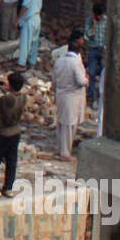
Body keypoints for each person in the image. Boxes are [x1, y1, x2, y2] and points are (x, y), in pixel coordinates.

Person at [0, 72, 26, 196]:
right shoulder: (23, 97)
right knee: (11, 160)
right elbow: (11, 101)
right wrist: (5, 90)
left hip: (3, 132)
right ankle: (8, 187)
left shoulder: (5, 99)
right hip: (16, 132)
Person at [53, 30, 89, 160]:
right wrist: (87, 80)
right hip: (72, 96)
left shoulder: (59, 61)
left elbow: (54, 80)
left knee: (61, 123)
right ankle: (65, 152)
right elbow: (80, 81)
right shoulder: (75, 63)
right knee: (69, 125)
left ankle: (60, 148)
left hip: (61, 94)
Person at [16, 0, 42, 69]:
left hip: (29, 19)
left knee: (25, 42)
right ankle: (32, 61)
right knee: (34, 42)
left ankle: (21, 63)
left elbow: (25, 7)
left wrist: (18, 19)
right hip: (37, 18)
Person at [84, 4, 107, 106]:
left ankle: (103, 96)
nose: (100, 17)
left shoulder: (106, 21)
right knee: (91, 73)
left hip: (103, 50)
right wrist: (93, 25)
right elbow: (87, 36)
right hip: (93, 49)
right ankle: (91, 94)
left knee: (104, 73)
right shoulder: (89, 21)